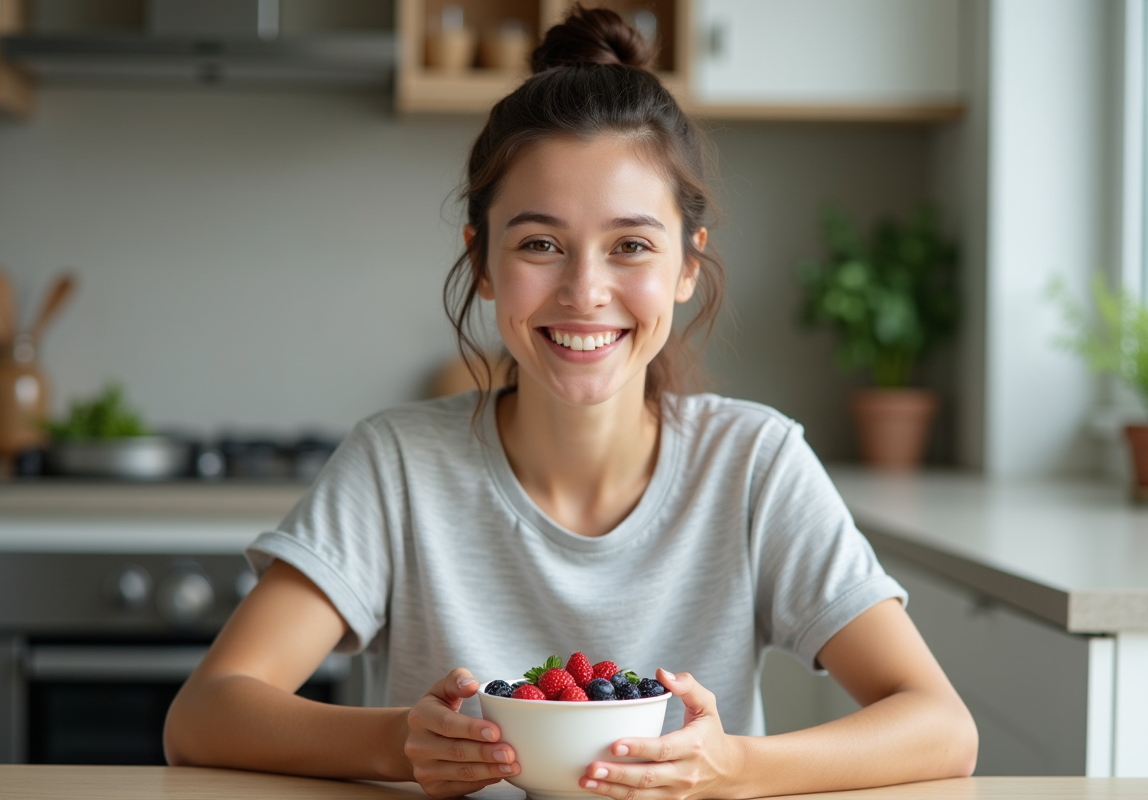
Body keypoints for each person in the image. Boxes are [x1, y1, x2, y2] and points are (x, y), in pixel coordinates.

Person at [164, 7, 978, 798]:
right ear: (481, 261)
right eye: (540, 244)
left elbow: (942, 727)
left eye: (631, 246)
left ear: (688, 266)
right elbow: (203, 715)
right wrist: (398, 744)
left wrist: (734, 769)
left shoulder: (755, 465)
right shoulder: (397, 465)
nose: (585, 292)